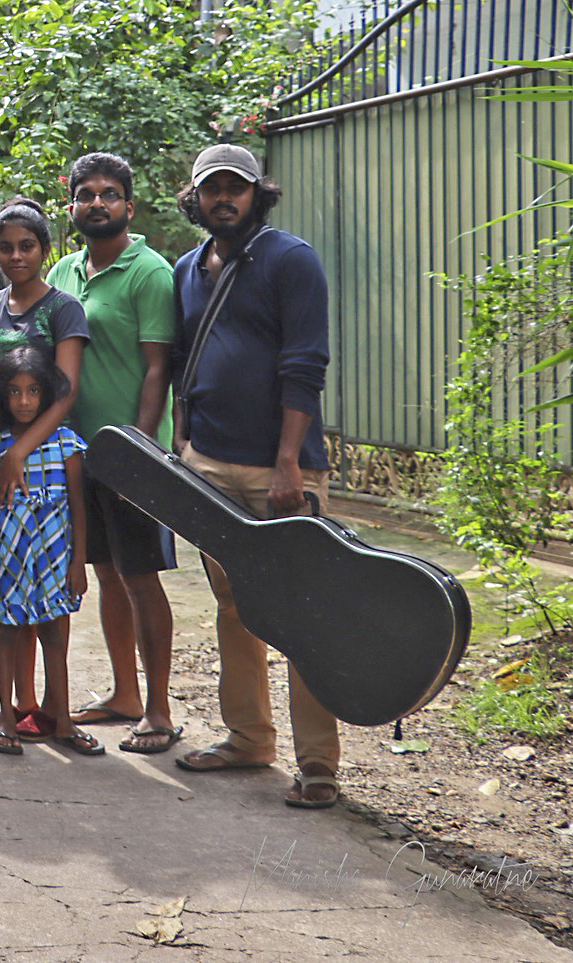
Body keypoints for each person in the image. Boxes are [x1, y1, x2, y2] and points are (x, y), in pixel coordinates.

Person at [167, 144, 338, 810]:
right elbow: (185, 359)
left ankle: (318, 762)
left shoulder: (291, 260)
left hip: (282, 469)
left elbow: (305, 363)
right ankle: (248, 738)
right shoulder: (187, 269)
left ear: (256, 194)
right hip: (209, 463)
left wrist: (290, 462)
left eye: (234, 188)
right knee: (234, 607)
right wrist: (184, 442)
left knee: (301, 612)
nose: (223, 199)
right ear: (196, 199)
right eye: (212, 189)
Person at [46, 153, 184, 754]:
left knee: (141, 577)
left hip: (132, 455)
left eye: (108, 193)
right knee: (106, 572)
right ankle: (124, 693)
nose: (96, 203)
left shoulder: (149, 272)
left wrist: (141, 452)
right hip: (80, 454)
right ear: (71, 205)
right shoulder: (64, 270)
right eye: (86, 194)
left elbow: (158, 369)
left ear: (128, 204)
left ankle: (159, 709)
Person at [0, 199, 90, 741]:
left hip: (42, 455)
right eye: (6, 248)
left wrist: (22, 451)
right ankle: (18, 708)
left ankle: (56, 713)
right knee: (12, 605)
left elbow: (64, 391)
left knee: (51, 616)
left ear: (45, 249)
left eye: (27, 246)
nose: (16, 256)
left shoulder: (63, 308)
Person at [0, 346, 99, 757]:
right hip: (10, 557)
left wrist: (78, 563)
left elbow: (78, 508)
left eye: (33, 391)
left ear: (47, 393)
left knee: (55, 638)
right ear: (2, 396)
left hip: (55, 557)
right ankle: (7, 720)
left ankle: (62, 721)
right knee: (8, 632)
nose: (24, 401)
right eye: (14, 391)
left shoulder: (68, 446)